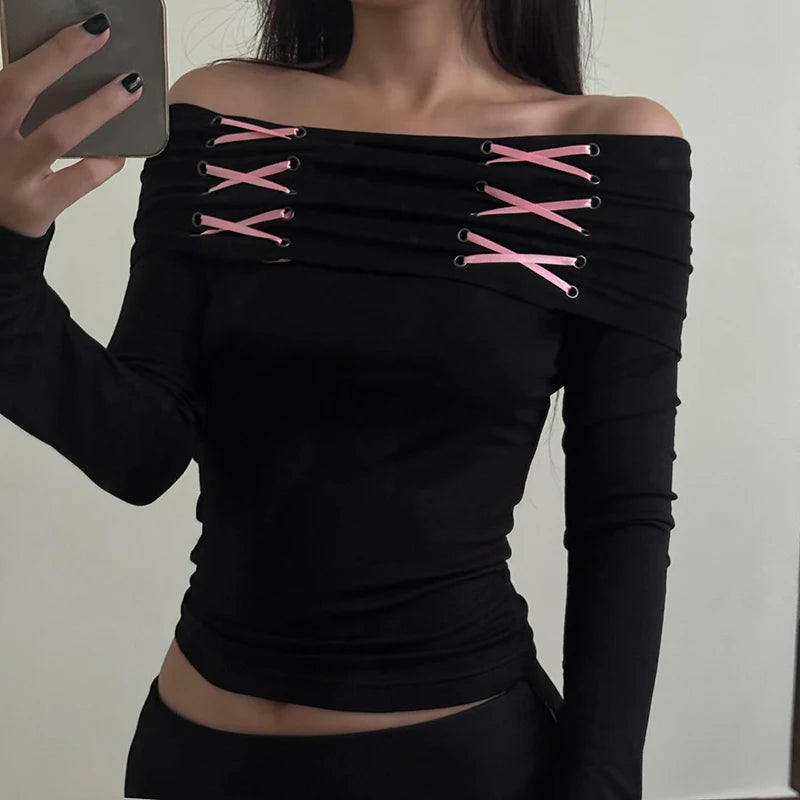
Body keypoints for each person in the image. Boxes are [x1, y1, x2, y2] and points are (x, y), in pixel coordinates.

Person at [0, 1, 694, 798]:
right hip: (194, 758)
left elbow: (620, 520)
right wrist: (6, 261)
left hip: (452, 766)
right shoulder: (217, 116)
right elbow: (139, 451)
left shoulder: (608, 151)